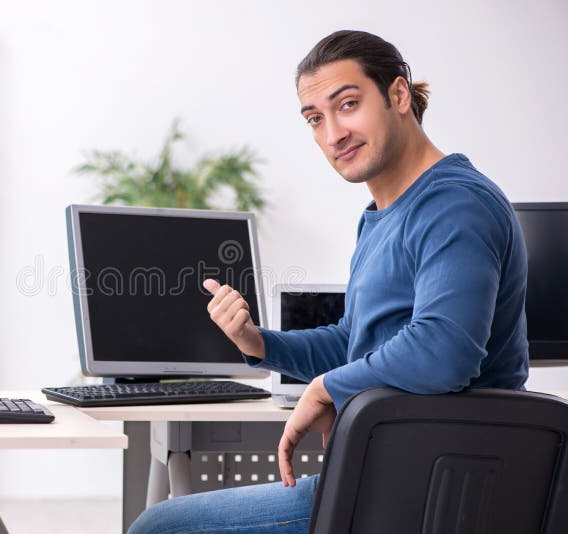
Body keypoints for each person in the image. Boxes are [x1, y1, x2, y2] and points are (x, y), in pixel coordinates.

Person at [128, 29, 529, 534]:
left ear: (398, 95)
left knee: (158, 527)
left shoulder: (453, 205)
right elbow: (356, 342)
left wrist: (327, 386)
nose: (333, 133)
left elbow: (445, 350)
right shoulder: (381, 215)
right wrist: (260, 343)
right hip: (393, 469)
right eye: (315, 118)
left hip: (436, 485)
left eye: (348, 104)